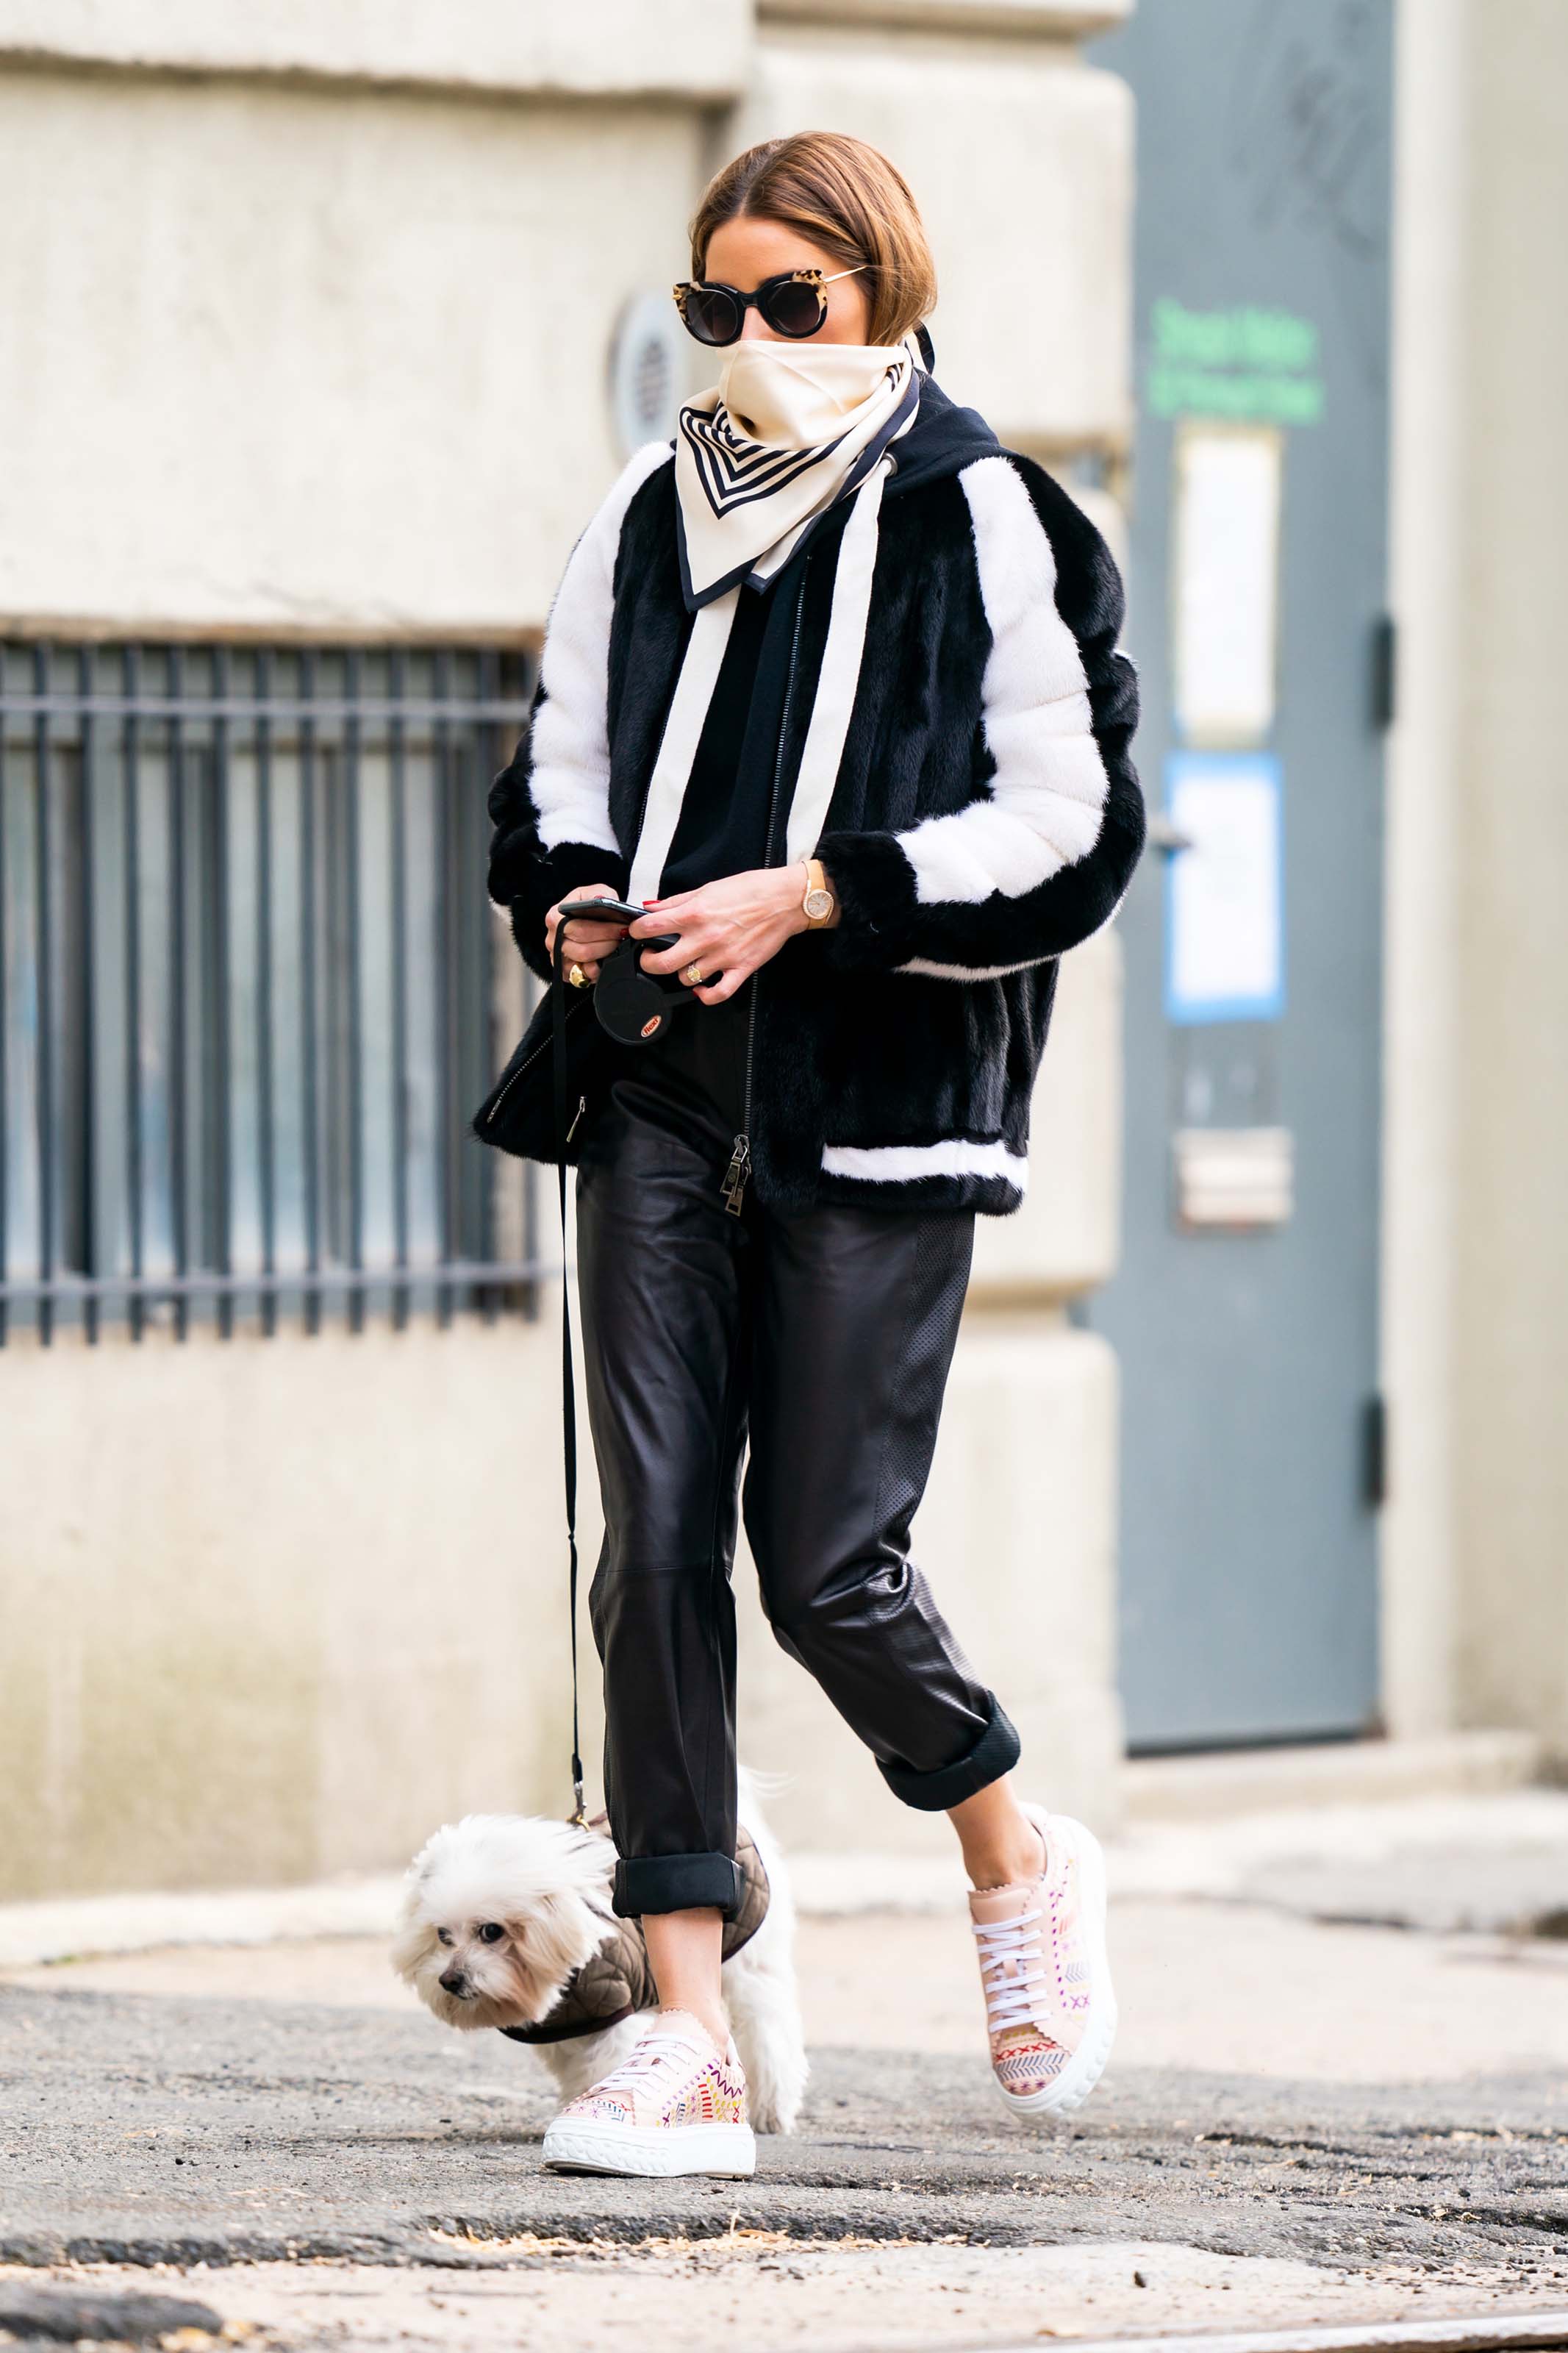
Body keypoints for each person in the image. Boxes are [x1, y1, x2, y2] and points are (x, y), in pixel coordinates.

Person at [484, 129, 1143, 2179]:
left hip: (881, 1109)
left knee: (827, 1565)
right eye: (720, 308)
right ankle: (682, 2032)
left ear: (883, 296)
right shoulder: (644, 511)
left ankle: (1014, 1850)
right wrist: (582, 898)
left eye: (797, 304)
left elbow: (1077, 821)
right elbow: (560, 766)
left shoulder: (989, 516)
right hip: (666, 1090)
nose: (757, 343)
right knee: (657, 1542)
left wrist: (820, 894)